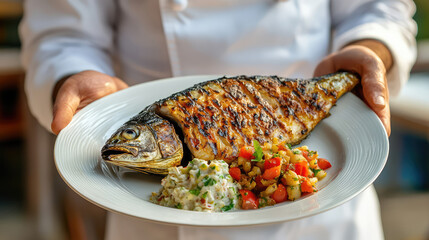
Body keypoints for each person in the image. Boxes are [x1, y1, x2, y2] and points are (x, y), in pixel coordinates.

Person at [20, 0, 417, 239]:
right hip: (156, 222)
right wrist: (70, 72)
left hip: (323, 211)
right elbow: (62, 33)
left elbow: (379, 7)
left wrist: (371, 47)